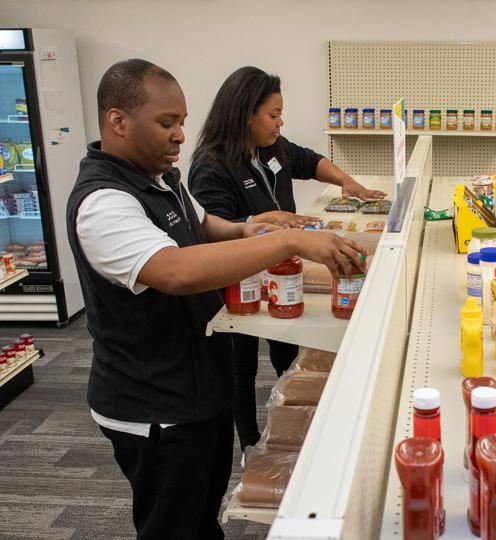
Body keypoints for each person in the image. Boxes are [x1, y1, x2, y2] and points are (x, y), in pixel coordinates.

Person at [67, 59, 365, 539]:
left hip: (198, 384)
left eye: (182, 122)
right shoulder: (104, 201)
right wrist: (285, 243)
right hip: (155, 407)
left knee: (202, 513)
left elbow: (203, 225)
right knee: (173, 523)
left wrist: (249, 227)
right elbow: (175, 270)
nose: (181, 135)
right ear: (118, 121)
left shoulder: (161, 178)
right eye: (167, 123)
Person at [188, 66, 385, 452]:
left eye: (281, 114)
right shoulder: (212, 165)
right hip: (241, 279)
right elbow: (214, 231)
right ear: (246, 114)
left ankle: (292, 413)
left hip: (284, 271)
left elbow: (308, 161)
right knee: (241, 365)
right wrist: (254, 221)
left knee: (287, 345)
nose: (281, 122)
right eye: (273, 115)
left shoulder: (270, 147)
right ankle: (248, 440)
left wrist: (349, 183)